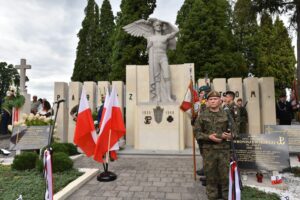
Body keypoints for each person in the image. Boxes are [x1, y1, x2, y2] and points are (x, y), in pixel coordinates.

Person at [123, 18, 179, 102]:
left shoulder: (165, 37)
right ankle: (158, 97)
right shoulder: (151, 38)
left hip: (163, 57)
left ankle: (168, 97)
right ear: (154, 27)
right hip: (155, 58)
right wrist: (148, 46)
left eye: (160, 25)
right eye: (157, 25)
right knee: (157, 78)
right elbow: (148, 49)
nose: (159, 26)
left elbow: (176, 31)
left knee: (167, 76)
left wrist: (166, 22)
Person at [193, 90, 233, 200]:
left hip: (224, 150)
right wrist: (208, 137)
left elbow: (235, 131)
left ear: (220, 100)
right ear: (208, 101)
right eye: (211, 99)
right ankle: (212, 196)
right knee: (210, 176)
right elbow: (197, 133)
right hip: (208, 151)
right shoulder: (202, 116)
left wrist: (229, 135)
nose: (213, 101)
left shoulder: (227, 114)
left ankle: (226, 196)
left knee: (225, 176)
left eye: (215, 99)